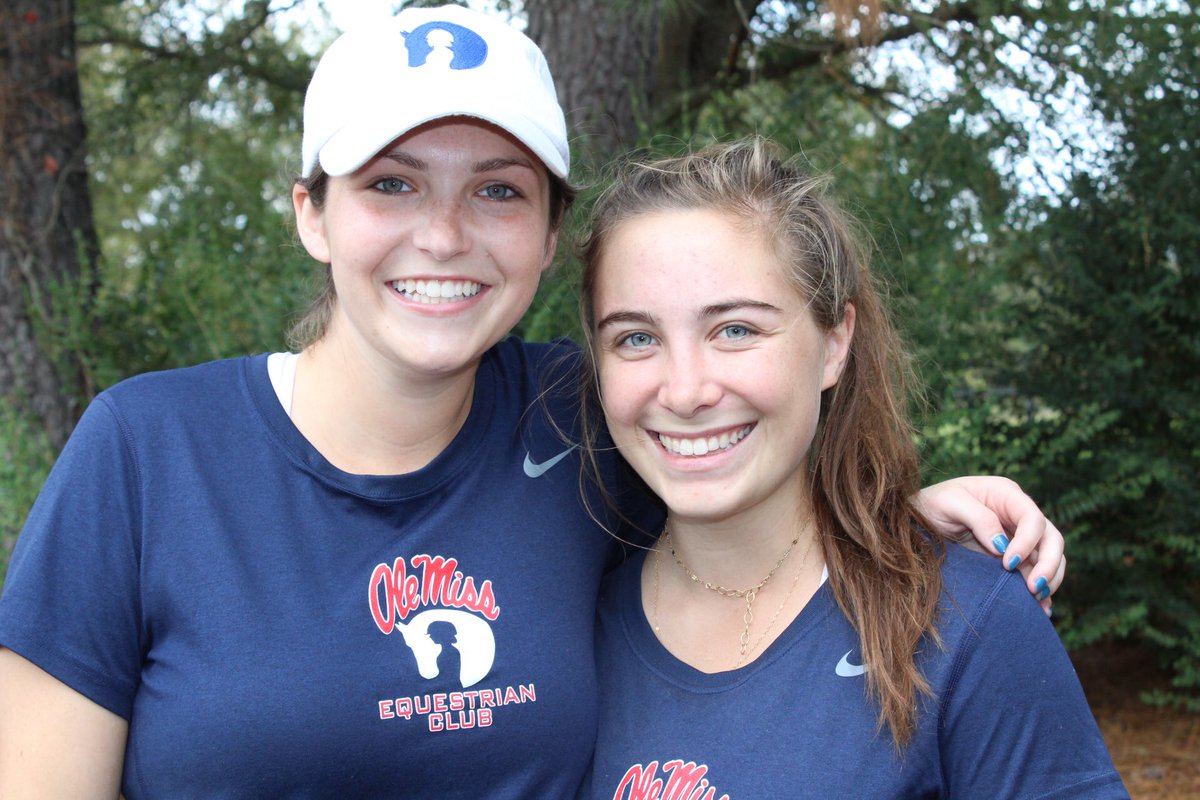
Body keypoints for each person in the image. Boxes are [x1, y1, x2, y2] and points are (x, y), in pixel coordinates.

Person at [0, 6, 1063, 798]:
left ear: (550, 235)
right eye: (392, 182)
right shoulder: (146, 452)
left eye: (498, 189)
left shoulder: (581, 419)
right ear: (312, 213)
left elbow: (733, 453)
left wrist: (889, 517)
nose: (444, 234)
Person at [576, 138, 1126, 798]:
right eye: (636, 338)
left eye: (736, 330)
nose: (686, 391)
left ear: (835, 343)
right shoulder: (565, 636)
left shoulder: (966, 623)